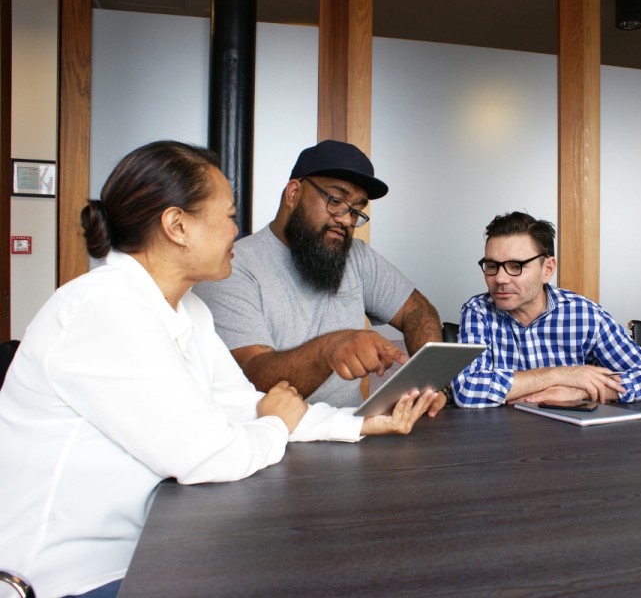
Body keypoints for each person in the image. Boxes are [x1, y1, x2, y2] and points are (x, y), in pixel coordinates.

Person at [0, 141, 439, 598]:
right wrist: (275, 422)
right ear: (177, 226)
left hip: (148, 555)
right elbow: (206, 454)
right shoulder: (103, 309)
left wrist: (361, 424)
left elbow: (241, 404)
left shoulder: (187, 311)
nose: (236, 231)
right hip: (69, 580)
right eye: (229, 215)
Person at [194, 140, 445, 411]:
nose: (347, 220)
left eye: (356, 210)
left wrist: (428, 384)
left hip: (354, 435)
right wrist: (329, 349)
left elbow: (418, 311)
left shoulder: (356, 256)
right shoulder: (232, 267)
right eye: (336, 201)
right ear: (293, 193)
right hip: (275, 439)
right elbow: (251, 377)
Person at [452, 211, 641, 407]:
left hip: (573, 444)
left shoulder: (584, 314)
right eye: (492, 266)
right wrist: (560, 375)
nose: (499, 278)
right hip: (501, 440)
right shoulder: (478, 311)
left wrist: (579, 390)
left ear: (547, 270)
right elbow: (467, 389)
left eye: (515, 266)